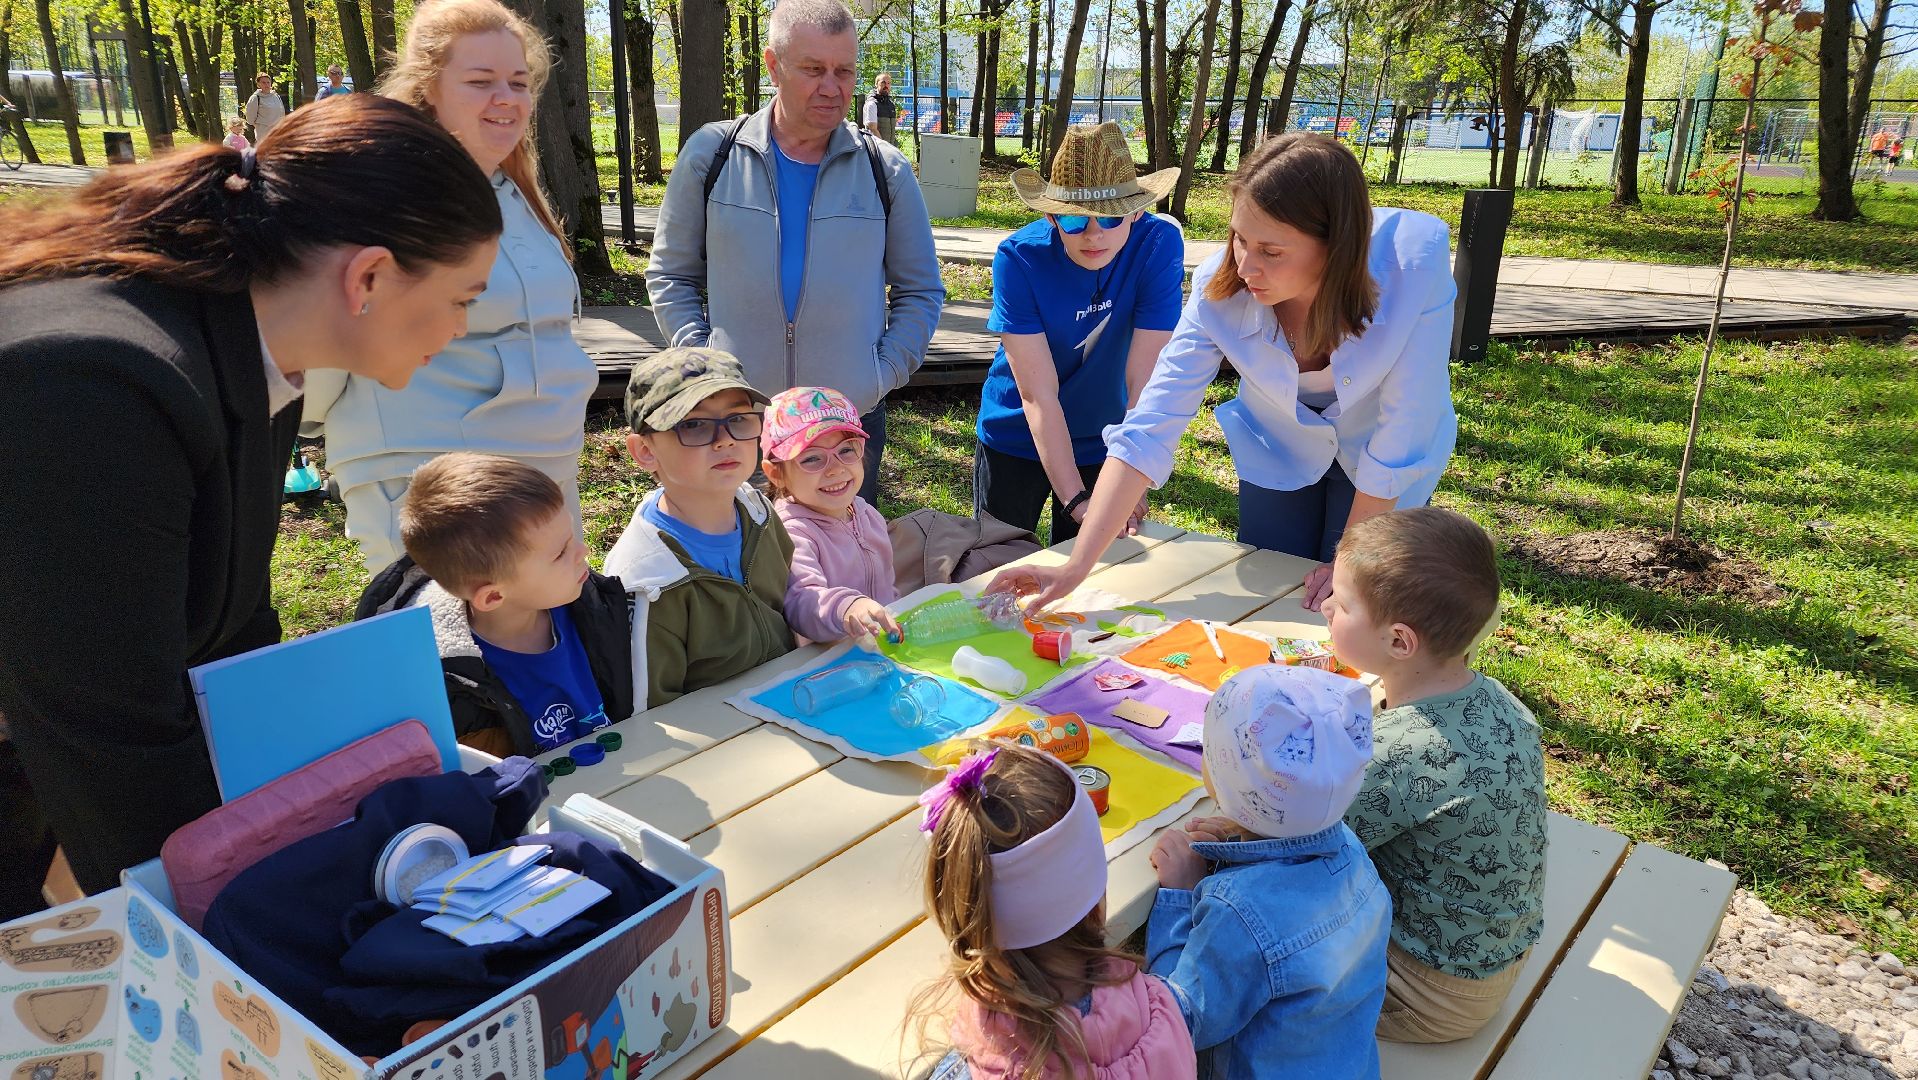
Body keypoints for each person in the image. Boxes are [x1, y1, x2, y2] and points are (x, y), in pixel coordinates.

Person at [0, 95, 502, 918]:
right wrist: (246, 941)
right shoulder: (92, 384)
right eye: (463, 297)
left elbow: (229, 626)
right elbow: (110, 734)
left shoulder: (246, 350)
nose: (463, 327)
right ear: (368, 276)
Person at [991, 132, 1457, 614]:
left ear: (1336, 245)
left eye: (1271, 252)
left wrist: (1347, 564)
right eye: (1239, 238)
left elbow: (1404, 429)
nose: (1246, 266)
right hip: (1279, 441)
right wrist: (1074, 568)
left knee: (1357, 597)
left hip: (1383, 448)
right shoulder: (1219, 286)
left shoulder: (1414, 264)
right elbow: (1152, 422)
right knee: (1271, 587)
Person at [303, 0, 599, 571]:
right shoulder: (384, 192)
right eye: (480, 81)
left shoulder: (517, 194)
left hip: (544, 468)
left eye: (518, 81)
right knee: (451, 652)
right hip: (432, 477)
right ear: (427, 88)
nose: (506, 97)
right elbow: (326, 337)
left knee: (540, 646)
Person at [646, 0, 944, 508]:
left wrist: (877, 377)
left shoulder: (884, 169)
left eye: (844, 71)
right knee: (740, 573)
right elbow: (671, 275)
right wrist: (711, 370)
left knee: (838, 571)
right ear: (773, 65)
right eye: (813, 69)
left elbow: (921, 290)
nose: (832, 87)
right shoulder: (712, 155)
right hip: (739, 422)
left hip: (842, 427)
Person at [1328, 507, 1546, 1044]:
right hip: (1490, 956)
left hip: (1428, 995)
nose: (1328, 607)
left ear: (1400, 643)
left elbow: (1297, 840)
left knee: (1257, 922)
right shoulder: (1499, 701)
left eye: (1342, 602)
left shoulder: (1399, 754)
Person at [1146, 664, 1390, 1078]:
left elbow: (1178, 1025)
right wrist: (1247, 832)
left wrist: (1181, 896)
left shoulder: (1237, 912)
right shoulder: (1351, 850)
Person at [912, 743, 1198, 1079]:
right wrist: (1178, 899)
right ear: (1094, 902)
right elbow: (1185, 1000)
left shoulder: (978, 1063)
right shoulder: (1157, 1010)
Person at [974, 120, 1184, 543]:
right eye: (1074, 220)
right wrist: (1075, 501)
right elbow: (1038, 394)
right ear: (1051, 215)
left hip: (1108, 438)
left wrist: (1132, 474)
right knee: (998, 570)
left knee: (1093, 580)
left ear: (1136, 211)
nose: (1093, 235)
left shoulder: (1158, 245)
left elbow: (1145, 377)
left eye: (1110, 218)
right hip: (1018, 436)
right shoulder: (1018, 258)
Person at [355, 453, 633, 758]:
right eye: (559, 553)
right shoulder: (447, 686)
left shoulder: (592, 608)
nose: (583, 551)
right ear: (492, 597)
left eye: (572, 538)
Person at [604, 347, 796, 709]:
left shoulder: (756, 510)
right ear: (645, 451)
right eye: (693, 425)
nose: (724, 440)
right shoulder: (647, 582)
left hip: (795, 698)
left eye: (738, 419)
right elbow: (650, 716)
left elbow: (792, 602)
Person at [761, 386, 901, 645]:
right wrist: (846, 608)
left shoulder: (865, 512)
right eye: (812, 458)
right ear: (776, 473)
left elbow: (886, 584)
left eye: (847, 450)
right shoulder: (791, 534)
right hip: (831, 662)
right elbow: (803, 601)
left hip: (881, 644)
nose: (836, 469)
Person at [245, 72, 287, 142]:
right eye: (263, 82)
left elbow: (282, 113)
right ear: (258, 84)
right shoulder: (255, 98)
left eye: (268, 82)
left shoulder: (276, 96)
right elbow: (250, 118)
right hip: (264, 133)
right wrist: (258, 125)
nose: (266, 85)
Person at [863, 70, 897, 144]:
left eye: (888, 83)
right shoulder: (872, 104)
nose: (886, 86)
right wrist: (884, 148)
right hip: (876, 150)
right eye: (883, 82)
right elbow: (872, 129)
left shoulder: (891, 105)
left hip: (890, 149)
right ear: (876, 84)